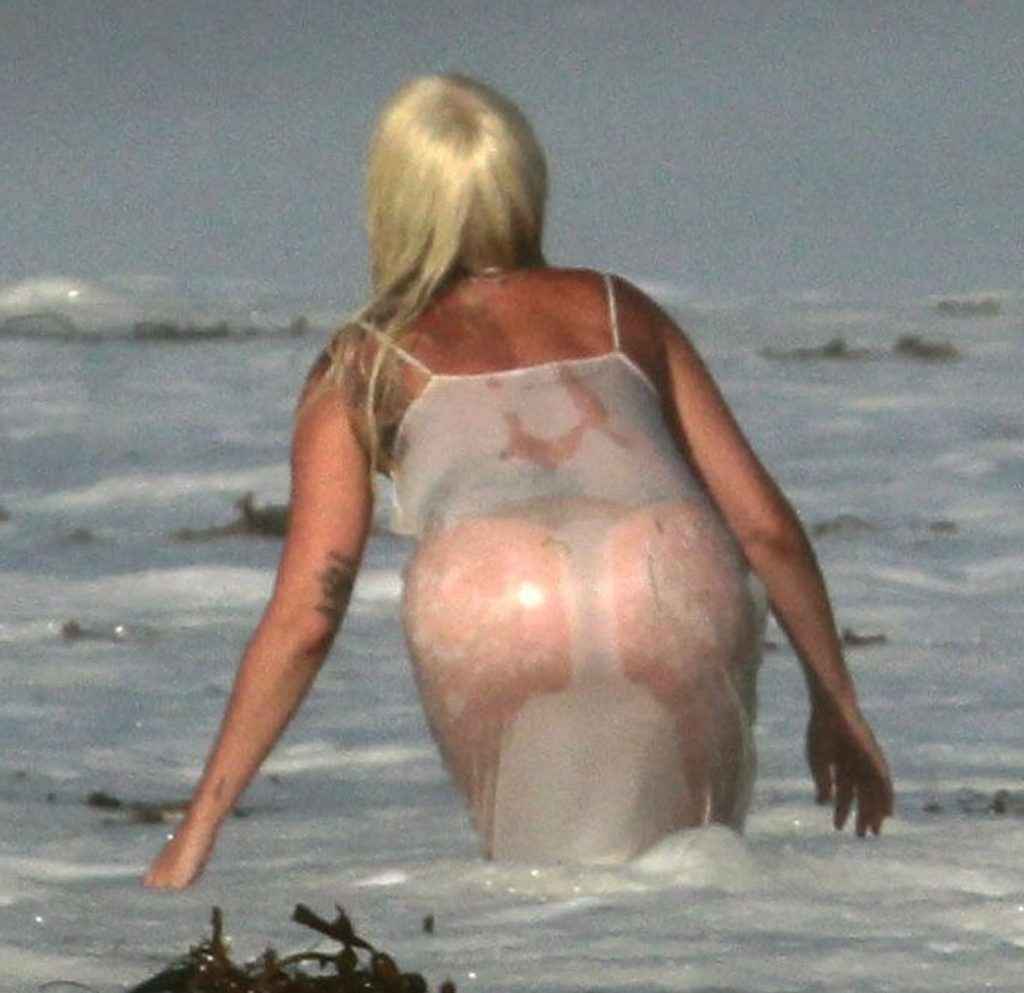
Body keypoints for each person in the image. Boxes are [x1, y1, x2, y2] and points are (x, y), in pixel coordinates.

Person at [144, 74, 892, 890]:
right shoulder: (619, 310)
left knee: (540, 899)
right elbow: (764, 526)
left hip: (490, 590)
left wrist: (197, 830)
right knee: (696, 880)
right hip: (665, 565)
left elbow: (306, 618)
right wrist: (837, 699)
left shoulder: (362, 363)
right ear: (525, 184)